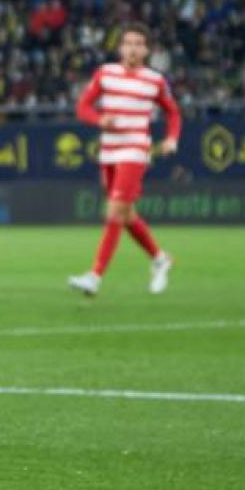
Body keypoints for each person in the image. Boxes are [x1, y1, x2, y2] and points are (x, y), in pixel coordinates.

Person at [69, 23, 181, 296]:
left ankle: (95, 276)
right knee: (127, 214)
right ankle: (159, 258)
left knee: (114, 211)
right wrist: (99, 119)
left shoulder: (155, 80)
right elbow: (82, 107)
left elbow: (173, 113)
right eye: (128, 43)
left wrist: (171, 139)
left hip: (134, 150)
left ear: (146, 49)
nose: (132, 48)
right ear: (120, 47)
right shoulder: (106, 73)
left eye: (138, 43)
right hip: (109, 150)